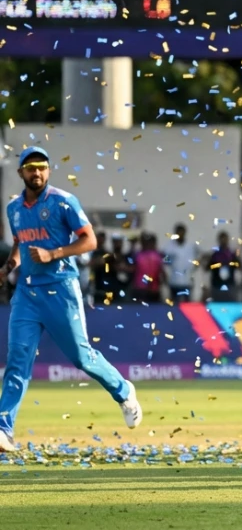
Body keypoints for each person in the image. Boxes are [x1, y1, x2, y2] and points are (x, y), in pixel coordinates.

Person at [0, 147, 143, 452]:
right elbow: (19, 244)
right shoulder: (14, 209)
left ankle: (123, 391)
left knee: (81, 357)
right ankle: (4, 428)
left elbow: (89, 240)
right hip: (27, 293)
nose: (37, 172)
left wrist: (53, 253)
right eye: (31, 167)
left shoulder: (63, 201)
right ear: (21, 172)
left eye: (42, 167)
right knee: (17, 360)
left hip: (60, 289)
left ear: (48, 170)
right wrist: (8, 267)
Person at [161, 223, 199, 302]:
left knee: (187, 304)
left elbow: (198, 258)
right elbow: (165, 262)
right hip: (174, 281)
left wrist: (194, 269)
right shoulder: (169, 247)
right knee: (174, 304)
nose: (180, 234)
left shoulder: (190, 246)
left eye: (182, 232)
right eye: (178, 232)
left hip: (187, 281)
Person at [90, 230, 122, 305]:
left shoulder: (106, 252)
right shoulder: (91, 252)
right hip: (95, 283)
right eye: (99, 238)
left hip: (106, 284)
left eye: (102, 238)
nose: (101, 240)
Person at [205, 231, 240, 300]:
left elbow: (240, 267)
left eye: (225, 239)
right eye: (222, 239)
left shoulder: (232, 255)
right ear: (219, 240)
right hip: (217, 286)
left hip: (230, 286)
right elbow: (207, 268)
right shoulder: (215, 255)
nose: (223, 241)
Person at [131, 232, 163, 302]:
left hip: (153, 289)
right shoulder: (138, 254)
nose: (147, 244)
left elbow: (160, 270)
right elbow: (133, 268)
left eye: (149, 242)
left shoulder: (157, 255)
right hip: (140, 288)